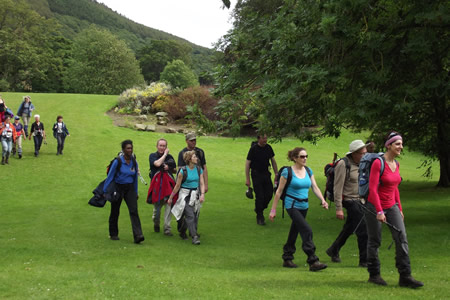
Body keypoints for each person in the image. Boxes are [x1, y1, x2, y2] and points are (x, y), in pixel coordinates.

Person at [365, 131, 423, 288]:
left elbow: (394, 188)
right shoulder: (379, 163)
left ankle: (405, 276)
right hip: (373, 205)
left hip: (392, 206)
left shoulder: (396, 164)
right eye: (397, 144)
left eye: (401, 144)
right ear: (389, 145)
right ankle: (374, 274)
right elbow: (372, 189)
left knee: (401, 238)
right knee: (374, 240)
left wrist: (400, 208)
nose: (401, 147)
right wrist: (379, 211)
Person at [269, 147, 329, 271]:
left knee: (295, 230)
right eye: (302, 156)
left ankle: (287, 257)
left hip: (304, 206)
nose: (305, 158)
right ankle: (313, 260)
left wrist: (323, 200)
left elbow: (315, 187)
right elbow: (279, 192)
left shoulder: (308, 170)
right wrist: (273, 210)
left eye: (306, 156)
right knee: (306, 230)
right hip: (292, 205)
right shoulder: (287, 172)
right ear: (294, 158)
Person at [326, 140, 368, 267]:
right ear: (354, 153)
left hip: (361, 200)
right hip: (349, 200)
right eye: (362, 153)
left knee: (349, 228)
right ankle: (364, 261)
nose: (364, 156)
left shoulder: (363, 164)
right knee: (363, 229)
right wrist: (338, 208)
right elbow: (337, 188)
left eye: (365, 153)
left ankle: (334, 249)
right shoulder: (343, 164)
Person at [103, 140, 145, 244]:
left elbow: (135, 178)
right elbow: (110, 176)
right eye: (128, 148)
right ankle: (113, 233)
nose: (130, 150)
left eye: (131, 148)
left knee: (134, 210)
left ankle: (138, 235)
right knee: (115, 210)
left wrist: (135, 192)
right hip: (118, 187)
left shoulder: (134, 162)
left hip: (130, 188)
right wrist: (105, 191)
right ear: (123, 149)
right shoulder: (118, 161)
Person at [168, 150, 205, 245]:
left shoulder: (198, 169)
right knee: (190, 215)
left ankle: (182, 230)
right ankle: (194, 236)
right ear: (189, 159)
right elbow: (177, 186)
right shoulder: (182, 171)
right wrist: (171, 198)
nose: (196, 158)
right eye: (194, 157)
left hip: (195, 194)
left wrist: (202, 194)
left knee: (193, 215)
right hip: (185, 195)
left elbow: (201, 183)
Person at [245, 134, 278, 225]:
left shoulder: (268, 148)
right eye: (263, 138)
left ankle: (259, 208)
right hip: (256, 174)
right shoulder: (253, 149)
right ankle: (260, 216)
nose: (265, 140)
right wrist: (248, 179)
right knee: (259, 196)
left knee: (269, 194)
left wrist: (276, 173)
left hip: (266, 174)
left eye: (266, 138)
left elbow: (273, 161)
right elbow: (247, 164)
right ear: (258, 139)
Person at [149, 138, 176, 235]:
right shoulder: (152, 156)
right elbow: (157, 164)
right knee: (157, 211)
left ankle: (167, 229)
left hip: (168, 187)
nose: (162, 147)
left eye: (164, 146)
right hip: (157, 188)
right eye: (160, 145)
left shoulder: (170, 157)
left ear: (166, 147)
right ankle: (156, 224)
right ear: (157, 146)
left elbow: (174, 169)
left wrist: (169, 168)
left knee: (169, 207)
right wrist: (165, 155)